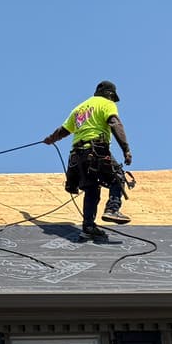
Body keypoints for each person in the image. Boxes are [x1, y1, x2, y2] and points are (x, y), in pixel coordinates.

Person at [42, 80, 132, 242]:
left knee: (91, 189)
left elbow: (63, 130)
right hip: (96, 150)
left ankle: (88, 227)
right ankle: (112, 209)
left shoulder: (79, 108)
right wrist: (125, 149)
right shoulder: (106, 103)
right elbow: (115, 124)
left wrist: (50, 139)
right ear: (110, 94)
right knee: (117, 176)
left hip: (77, 157)